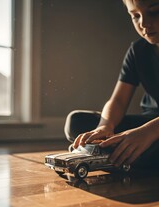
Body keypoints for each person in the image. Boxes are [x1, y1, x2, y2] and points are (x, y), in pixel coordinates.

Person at [64, 0, 159, 168]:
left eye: (154, 12)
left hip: (153, 128)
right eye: (135, 16)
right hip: (147, 121)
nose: (144, 23)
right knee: (76, 121)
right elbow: (119, 101)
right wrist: (104, 126)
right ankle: (130, 153)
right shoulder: (138, 51)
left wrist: (149, 132)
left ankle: (126, 153)